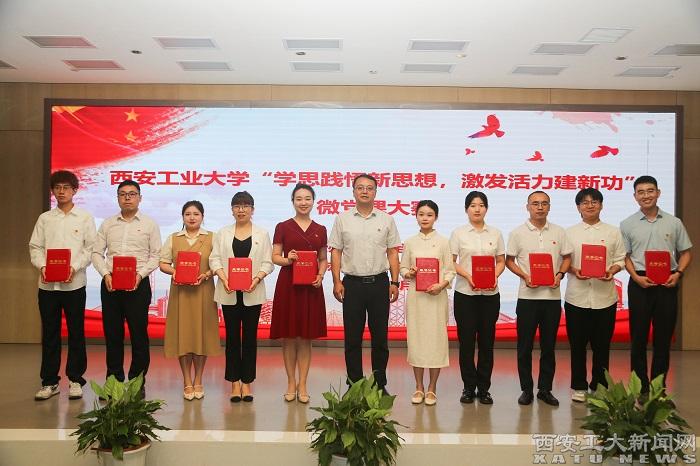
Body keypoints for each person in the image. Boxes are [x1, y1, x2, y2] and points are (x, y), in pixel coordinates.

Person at [328, 173, 401, 394]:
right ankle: (354, 385)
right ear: (353, 192)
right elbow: (336, 252)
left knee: (380, 339)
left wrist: (395, 282)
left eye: (369, 188)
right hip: (352, 285)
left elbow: (392, 252)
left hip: (379, 284)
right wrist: (336, 281)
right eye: (360, 187)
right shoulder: (343, 219)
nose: (365, 191)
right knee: (352, 339)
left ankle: (380, 384)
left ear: (376, 192)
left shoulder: (386, 219)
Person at [620, 175, 692, 395]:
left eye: (650, 191)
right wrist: (636, 277)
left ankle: (658, 389)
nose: (646, 196)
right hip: (639, 283)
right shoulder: (627, 224)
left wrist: (678, 274)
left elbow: (686, 253)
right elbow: (625, 256)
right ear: (635, 196)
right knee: (638, 339)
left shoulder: (674, 222)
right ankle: (640, 388)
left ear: (658, 193)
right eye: (641, 192)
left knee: (663, 340)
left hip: (667, 283)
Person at [29, 170, 97, 400]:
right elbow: (35, 247)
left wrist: (73, 267)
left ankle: (76, 379)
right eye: (57, 187)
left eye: (66, 187)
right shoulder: (45, 218)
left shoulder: (84, 218)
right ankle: (50, 382)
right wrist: (43, 267)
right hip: (47, 286)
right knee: (50, 333)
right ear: (53, 191)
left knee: (76, 332)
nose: (61, 191)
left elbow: (90, 248)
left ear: (74, 190)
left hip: (74, 285)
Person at [92, 180, 161, 393]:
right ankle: (113, 381)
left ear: (140, 197)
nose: (127, 198)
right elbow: (96, 253)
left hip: (138, 285)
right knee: (112, 335)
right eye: (123, 194)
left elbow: (156, 255)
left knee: (139, 335)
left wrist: (140, 275)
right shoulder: (108, 224)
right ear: (118, 198)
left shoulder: (149, 224)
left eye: (132, 194)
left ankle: (136, 382)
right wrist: (105, 274)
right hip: (111, 284)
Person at [506, 191, 572, 406]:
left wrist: (560, 275)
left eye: (544, 203)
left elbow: (567, 257)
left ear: (549, 207)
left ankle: (545, 389)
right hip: (527, 298)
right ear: (528, 207)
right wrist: (525, 276)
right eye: (535, 204)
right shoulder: (517, 233)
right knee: (524, 346)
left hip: (551, 298)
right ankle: (526, 389)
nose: (540, 207)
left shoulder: (559, 232)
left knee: (548, 346)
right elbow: (509, 261)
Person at [210, 191, 273, 402]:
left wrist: (257, 278)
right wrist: (223, 277)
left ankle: (247, 382)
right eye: (237, 206)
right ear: (232, 210)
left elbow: (267, 262)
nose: (241, 210)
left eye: (246, 206)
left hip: (252, 292)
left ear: (252, 210)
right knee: (232, 339)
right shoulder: (223, 233)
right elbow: (214, 259)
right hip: (228, 291)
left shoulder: (262, 234)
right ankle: (234, 383)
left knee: (249, 338)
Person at [565, 188, 626, 402]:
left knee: (602, 346)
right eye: (585, 202)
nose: (589, 205)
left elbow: (620, 259)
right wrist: (574, 270)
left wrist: (613, 270)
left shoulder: (613, 232)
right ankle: (579, 386)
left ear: (601, 205)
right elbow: (562, 261)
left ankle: (600, 385)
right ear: (578, 207)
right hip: (576, 298)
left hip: (605, 298)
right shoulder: (569, 233)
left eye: (594, 201)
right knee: (577, 345)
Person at [271, 183, 328, 404]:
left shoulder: (321, 228)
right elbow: (275, 256)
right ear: (293, 202)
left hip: (311, 287)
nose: (303, 203)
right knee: (288, 337)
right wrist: (289, 259)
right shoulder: (283, 226)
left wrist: (320, 275)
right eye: (298, 199)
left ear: (313, 201)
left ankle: (303, 383)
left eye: (307, 198)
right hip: (288, 285)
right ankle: (290, 382)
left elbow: (322, 258)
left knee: (305, 338)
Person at [159, 200, 222, 401]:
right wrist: (176, 272)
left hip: (204, 291)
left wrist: (207, 274)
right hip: (181, 294)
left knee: (202, 335)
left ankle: (199, 379)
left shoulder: (212, 237)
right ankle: (187, 380)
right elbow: (163, 263)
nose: (192, 217)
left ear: (202, 216)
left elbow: (218, 263)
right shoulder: (173, 238)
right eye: (188, 214)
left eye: (196, 214)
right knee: (183, 336)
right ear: (183, 217)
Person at [449, 191, 505, 405]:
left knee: (487, 343)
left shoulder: (496, 233)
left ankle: (484, 389)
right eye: (473, 205)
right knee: (466, 343)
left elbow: (501, 260)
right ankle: (468, 387)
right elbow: (451, 261)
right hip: (466, 294)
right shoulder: (459, 233)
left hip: (490, 295)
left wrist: (494, 276)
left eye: (481, 205)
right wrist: (468, 276)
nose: (477, 209)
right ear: (466, 209)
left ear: (486, 208)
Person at [400, 200, 454, 406]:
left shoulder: (444, 242)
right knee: (417, 341)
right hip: (417, 299)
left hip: (436, 298)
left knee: (435, 341)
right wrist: (409, 273)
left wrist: (442, 285)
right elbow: (403, 268)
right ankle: (418, 386)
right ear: (416, 216)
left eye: (429, 215)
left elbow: (450, 270)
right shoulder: (410, 242)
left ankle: (432, 388)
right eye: (421, 214)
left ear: (436, 217)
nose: (425, 218)